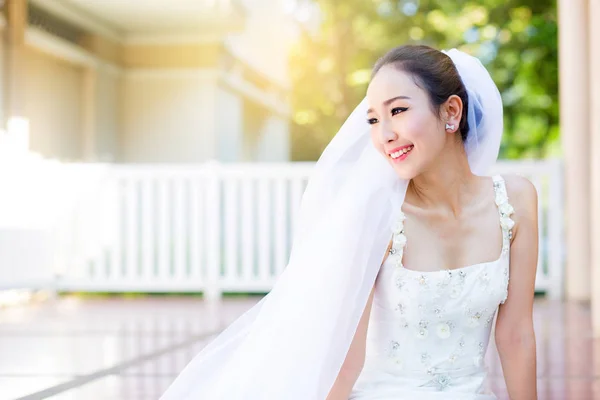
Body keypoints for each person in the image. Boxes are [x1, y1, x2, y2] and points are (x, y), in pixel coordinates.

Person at [160, 45, 538, 400]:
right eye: (373, 119)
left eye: (398, 111)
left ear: (452, 112)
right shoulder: (378, 218)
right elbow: (344, 360)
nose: (384, 135)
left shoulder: (516, 201)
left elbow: (516, 334)